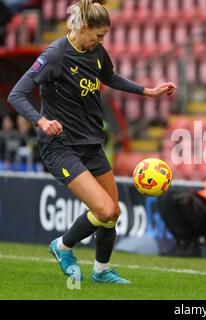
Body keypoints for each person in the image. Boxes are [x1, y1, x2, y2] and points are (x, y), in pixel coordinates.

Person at [7, 0, 176, 284]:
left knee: (113, 213)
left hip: (91, 143)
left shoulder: (95, 50)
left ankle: (101, 271)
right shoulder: (55, 55)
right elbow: (17, 94)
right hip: (60, 146)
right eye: (98, 35)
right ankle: (62, 247)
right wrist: (41, 120)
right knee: (105, 210)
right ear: (83, 28)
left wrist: (147, 91)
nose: (101, 41)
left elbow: (109, 76)